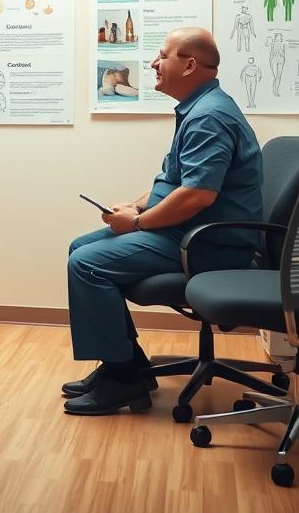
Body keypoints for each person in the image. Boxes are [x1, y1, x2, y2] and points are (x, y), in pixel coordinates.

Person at [63, 27, 263, 415]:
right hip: (185, 231)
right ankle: (128, 364)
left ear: (189, 64)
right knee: (79, 248)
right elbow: (175, 181)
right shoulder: (200, 107)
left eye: (162, 56)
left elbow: (199, 195)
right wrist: (138, 207)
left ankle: (123, 378)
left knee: (86, 263)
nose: (153, 64)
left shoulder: (209, 116)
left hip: (207, 245)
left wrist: (137, 225)